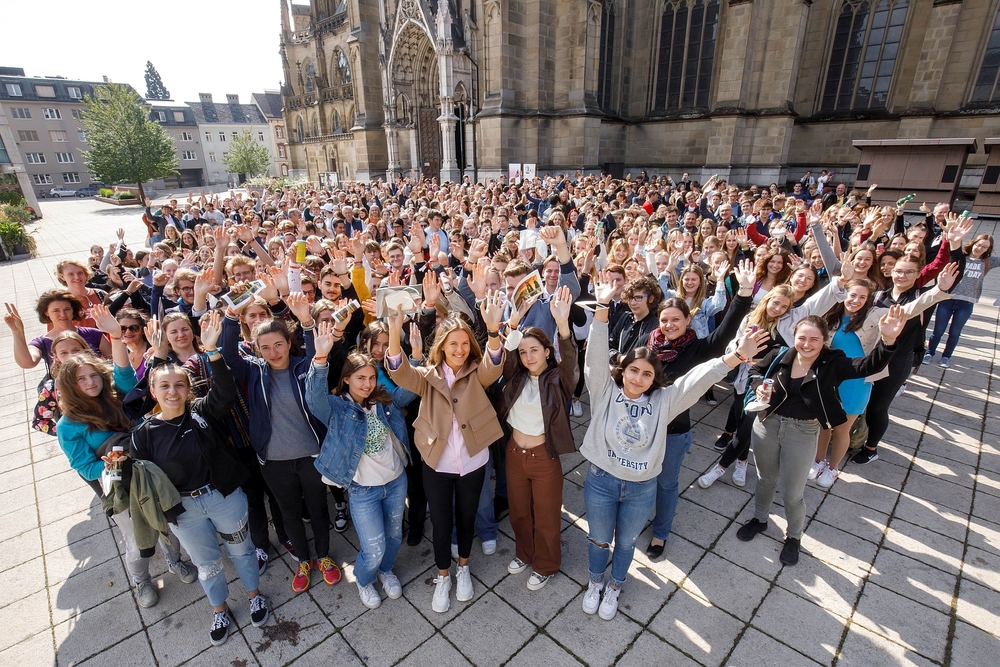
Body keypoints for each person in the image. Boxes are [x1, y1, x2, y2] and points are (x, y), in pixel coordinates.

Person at [580, 271, 767, 620]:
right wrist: (602, 309)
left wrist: (735, 357)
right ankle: (595, 582)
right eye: (633, 371)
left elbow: (699, 378)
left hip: (640, 487)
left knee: (626, 543)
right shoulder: (604, 391)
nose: (638, 378)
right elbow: (593, 357)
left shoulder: (665, 401)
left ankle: (615, 586)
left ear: (656, 380)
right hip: (602, 481)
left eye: (647, 374)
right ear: (622, 371)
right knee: (598, 539)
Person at [130, 310, 270, 645]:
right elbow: (141, 479)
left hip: (223, 498)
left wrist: (212, 352)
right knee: (207, 563)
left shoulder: (201, 411)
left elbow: (225, 393)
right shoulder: (144, 433)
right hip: (183, 511)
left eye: (179, 385)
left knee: (242, 552)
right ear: (154, 391)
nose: (173, 391)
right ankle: (219, 608)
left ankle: (254, 595)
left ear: (188, 388)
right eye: (164, 386)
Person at [735, 310, 905, 565]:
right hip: (766, 426)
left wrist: (888, 340)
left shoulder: (833, 362)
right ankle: (760, 520)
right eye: (802, 338)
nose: (807, 344)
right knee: (764, 480)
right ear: (794, 336)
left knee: (792, 492)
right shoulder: (780, 354)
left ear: (824, 340)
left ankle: (794, 537)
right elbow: (755, 372)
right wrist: (758, 385)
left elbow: (868, 366)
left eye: (814, 339)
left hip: (802, 433)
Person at [54, 304, 196, 608]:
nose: (91, 383)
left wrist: (115, 336)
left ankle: (175, 561)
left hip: (151, 471)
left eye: (93, 375)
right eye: (81, 379)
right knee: (137, 542)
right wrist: (110, 467)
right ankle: (141, 581)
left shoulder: (117, 394)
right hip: (119, 486)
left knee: (169, 523)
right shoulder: (68, 424)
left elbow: (125, 374)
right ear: (70, 386)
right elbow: (84, 466)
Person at [384, 294, 506, 614]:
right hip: (436, 463)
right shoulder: (428, 376)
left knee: (466, 519)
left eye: (464, 344)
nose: (460, 349)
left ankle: (463, 568)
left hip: (473, 462)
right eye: (453, 344)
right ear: (441, 346)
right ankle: (442, 576)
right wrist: (394, 334)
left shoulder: (476, 372)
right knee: (440, 524)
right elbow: (400, 373)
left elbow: (494, 366)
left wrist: (493, 332)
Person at [221, 292, 340, 593]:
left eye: (278, 344)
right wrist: (231, 317)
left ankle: (323, 556)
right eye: (265, 348)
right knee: (289, 514)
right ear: (257, 349)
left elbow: (318, 353)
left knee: (318, 509)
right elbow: (229, 355)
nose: (273, 352)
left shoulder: (303, 367)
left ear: (288, 343)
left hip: (312, 456)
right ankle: (303, 560)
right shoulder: (253, 371)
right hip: (274, 461)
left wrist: (307, 322)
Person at [645, 260, 756, 558]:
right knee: (642, 479)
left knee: (666, 484)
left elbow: (726, 331)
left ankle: (660, 532)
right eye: (664, 320)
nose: (669, 325)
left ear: (688, 319)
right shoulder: (649, 344)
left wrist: (744, 293)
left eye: (676, 320)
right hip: (644, 426)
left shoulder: (698, 348)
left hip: (674, 432)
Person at [811, 268, 956, 487]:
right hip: (830, 379)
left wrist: (938, 290)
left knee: (841, 428)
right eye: (852, 295)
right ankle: (819, 460)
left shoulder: (875, 315)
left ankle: (833, 468)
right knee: (825, 424)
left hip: (857, 382)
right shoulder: (830, 314)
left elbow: (909, 309)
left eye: (862, 297)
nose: (856, 301)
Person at [307, 322, 415, 609]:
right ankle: (364, 580)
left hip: (396, 482)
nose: (367, 384)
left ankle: (386, 570)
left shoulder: (382, 401)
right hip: (363, 490)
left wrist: (415, 358)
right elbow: (314, 400)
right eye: (360, 378)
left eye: (371, 378)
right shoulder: (337, 407)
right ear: (346, 379)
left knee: (394, 536)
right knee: (373, 546)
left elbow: (409, 390)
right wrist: (320, 359)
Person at [495, 286, 578, 590]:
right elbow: (506, 356)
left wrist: (563, 325)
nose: (529, 356)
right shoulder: (516, 377)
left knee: (546, 516)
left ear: (547, 351)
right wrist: (514, 325)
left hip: (544, 457)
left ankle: (546, 564)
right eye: (523, 352)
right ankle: (524, 553)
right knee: (519, 513)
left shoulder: (558, 380)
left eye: (534, 350)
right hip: (515, 455)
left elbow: (570, 365)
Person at [924, 234, 998, 368]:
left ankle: (946, 357)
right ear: (973, 243)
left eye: (985, 247)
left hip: (966, 303)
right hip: (947, 299)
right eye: (979, 245)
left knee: (955, 332)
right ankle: (929, 353)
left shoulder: (988, 262)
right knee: (938, 330)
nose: (980, 248)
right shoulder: (961, 257)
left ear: (988, 249)